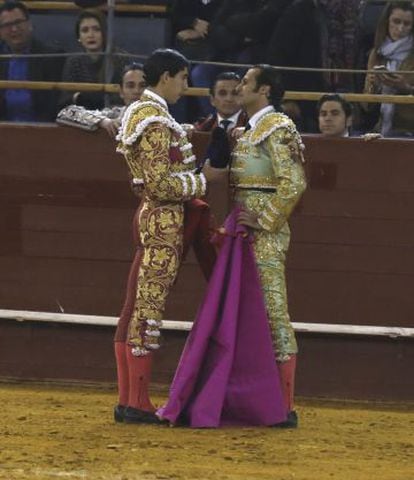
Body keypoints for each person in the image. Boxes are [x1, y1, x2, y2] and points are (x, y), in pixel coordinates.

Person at [159, 65, 307, 428]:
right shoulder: (253, 128)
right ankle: (264, 400)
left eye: (245, 82)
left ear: (266, 89)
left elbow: (294, 183)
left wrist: (266, 219)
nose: (238, 87)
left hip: (264, 233)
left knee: (273, 311)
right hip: (244, 231)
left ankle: (284, 406)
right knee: (250, 312)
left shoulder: (278, 127)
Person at [113, 48, 222, 425]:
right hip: (164, 222)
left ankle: (129, 399)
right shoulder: (155, 120)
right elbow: (160, 183)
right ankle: (137, 402)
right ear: (166, 77)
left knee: (135, 306)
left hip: (154, 218)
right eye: (183, 78)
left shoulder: (145, 114)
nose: (185, 86)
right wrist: (200, 181)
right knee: (148, 308)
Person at [0, 1, 64, 121]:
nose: (14, 29)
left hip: (41, 131)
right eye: (7, 25)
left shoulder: (52, 57)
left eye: (18, 22)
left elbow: (54, 106)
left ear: (29, 24)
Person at [59, 9, 130, 110]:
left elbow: (124, 95)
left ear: (104, 33)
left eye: (96, 29)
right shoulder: (73, 62)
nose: (91, 35)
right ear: (79, 37)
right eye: (85, 30)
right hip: (82, 117)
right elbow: (65, 99)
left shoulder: (120, 58)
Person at [363, 1, 414, 137]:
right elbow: (365, 105)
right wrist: (373, 84)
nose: (400, 28)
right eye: (396, 21)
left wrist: (406, 88)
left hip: (409, 129)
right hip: (382, 128)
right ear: (387, 22)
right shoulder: (377, 53)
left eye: (407, 24)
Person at [56, 62, 145, 137]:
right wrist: (102, 121)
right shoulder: (116, 114)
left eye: (142, 86)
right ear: (121, 92)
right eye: (130, 86)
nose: (136, 91)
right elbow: (65, 113)